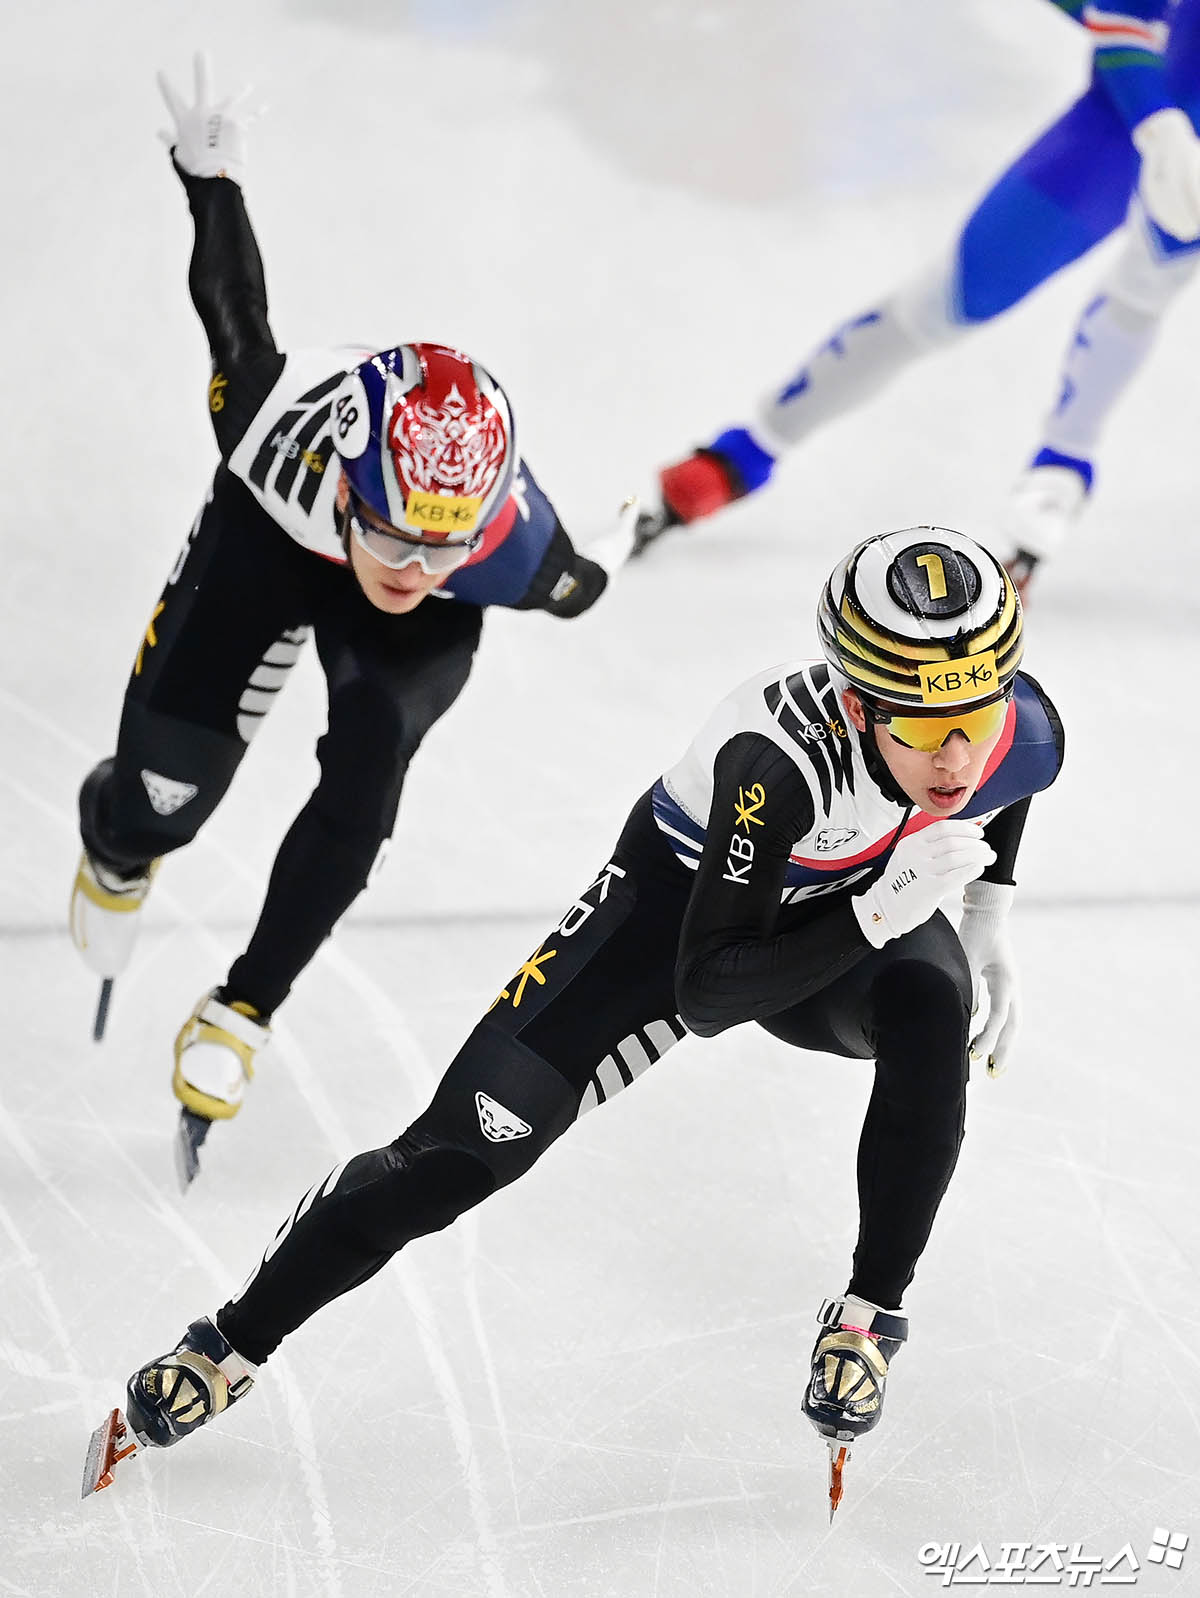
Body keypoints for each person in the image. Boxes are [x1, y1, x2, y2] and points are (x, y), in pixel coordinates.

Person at [87, 528, 1064, 1513]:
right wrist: (882, 908)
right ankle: (229, 1341)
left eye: (977, 718)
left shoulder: (1006, 724)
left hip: (844, 917)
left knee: (936, 1005)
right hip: (672, 925)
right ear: (858, 704)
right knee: (455, 1156)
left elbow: (1018, 769)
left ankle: (867, 1315)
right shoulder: (776, 763)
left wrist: (989, 919)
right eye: (925, 728)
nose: (956, 758)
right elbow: (711, 993)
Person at [67, 56, 635, 1183]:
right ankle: (120, 838)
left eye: (445, 545)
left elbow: (580, 580)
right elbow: (234, 305)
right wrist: (208, 176)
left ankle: (242, 1010)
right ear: (346, 474)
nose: (415, 568)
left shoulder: (510, 550)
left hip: (374, 587)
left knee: (372, 763)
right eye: (394, 534)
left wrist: (616, 541)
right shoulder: (272, 421)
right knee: (155, 805)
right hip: (267, 546)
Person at [634, 0, 1200, 597]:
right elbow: (1121, 14)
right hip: (1124, 121)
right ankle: (754, 444)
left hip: (1146, 114)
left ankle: (1057, 475)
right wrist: (1159, 127)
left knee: (1144, 286)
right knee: (958, 299)